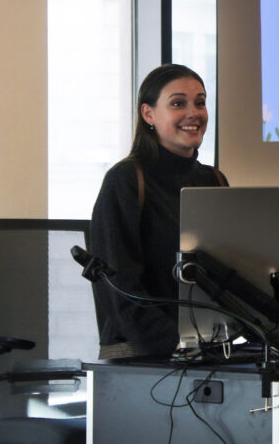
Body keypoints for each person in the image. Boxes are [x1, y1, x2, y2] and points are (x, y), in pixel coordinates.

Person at [89, 64, 228, 359]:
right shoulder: (126, 180)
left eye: (200, 102)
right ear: (148, 114)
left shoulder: (213, 180)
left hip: (208, 349)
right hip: (143, 355)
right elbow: (119, 286)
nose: (194, 113)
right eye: (178, 103)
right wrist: (174, 343)